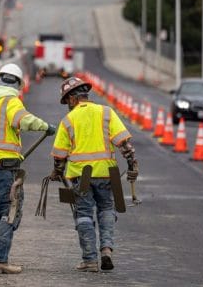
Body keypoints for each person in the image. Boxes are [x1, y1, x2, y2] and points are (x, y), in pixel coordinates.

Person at [0, 63, 55, 274]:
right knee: (9, 213)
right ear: (18, 83)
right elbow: (24, 121)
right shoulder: (11, 102)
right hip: (4, 170)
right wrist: (46, 127)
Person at [49, 77, 139, 272]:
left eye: (67, 101)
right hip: (106, 174)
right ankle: (106, 250)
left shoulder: (69, 120)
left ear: (72, 98)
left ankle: (90, 260)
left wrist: (57, 171)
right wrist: (132, 164)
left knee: (83, 215)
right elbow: (124, 143)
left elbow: (60, 155)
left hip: (81, 177)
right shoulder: (106, 113)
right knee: (106, 209)